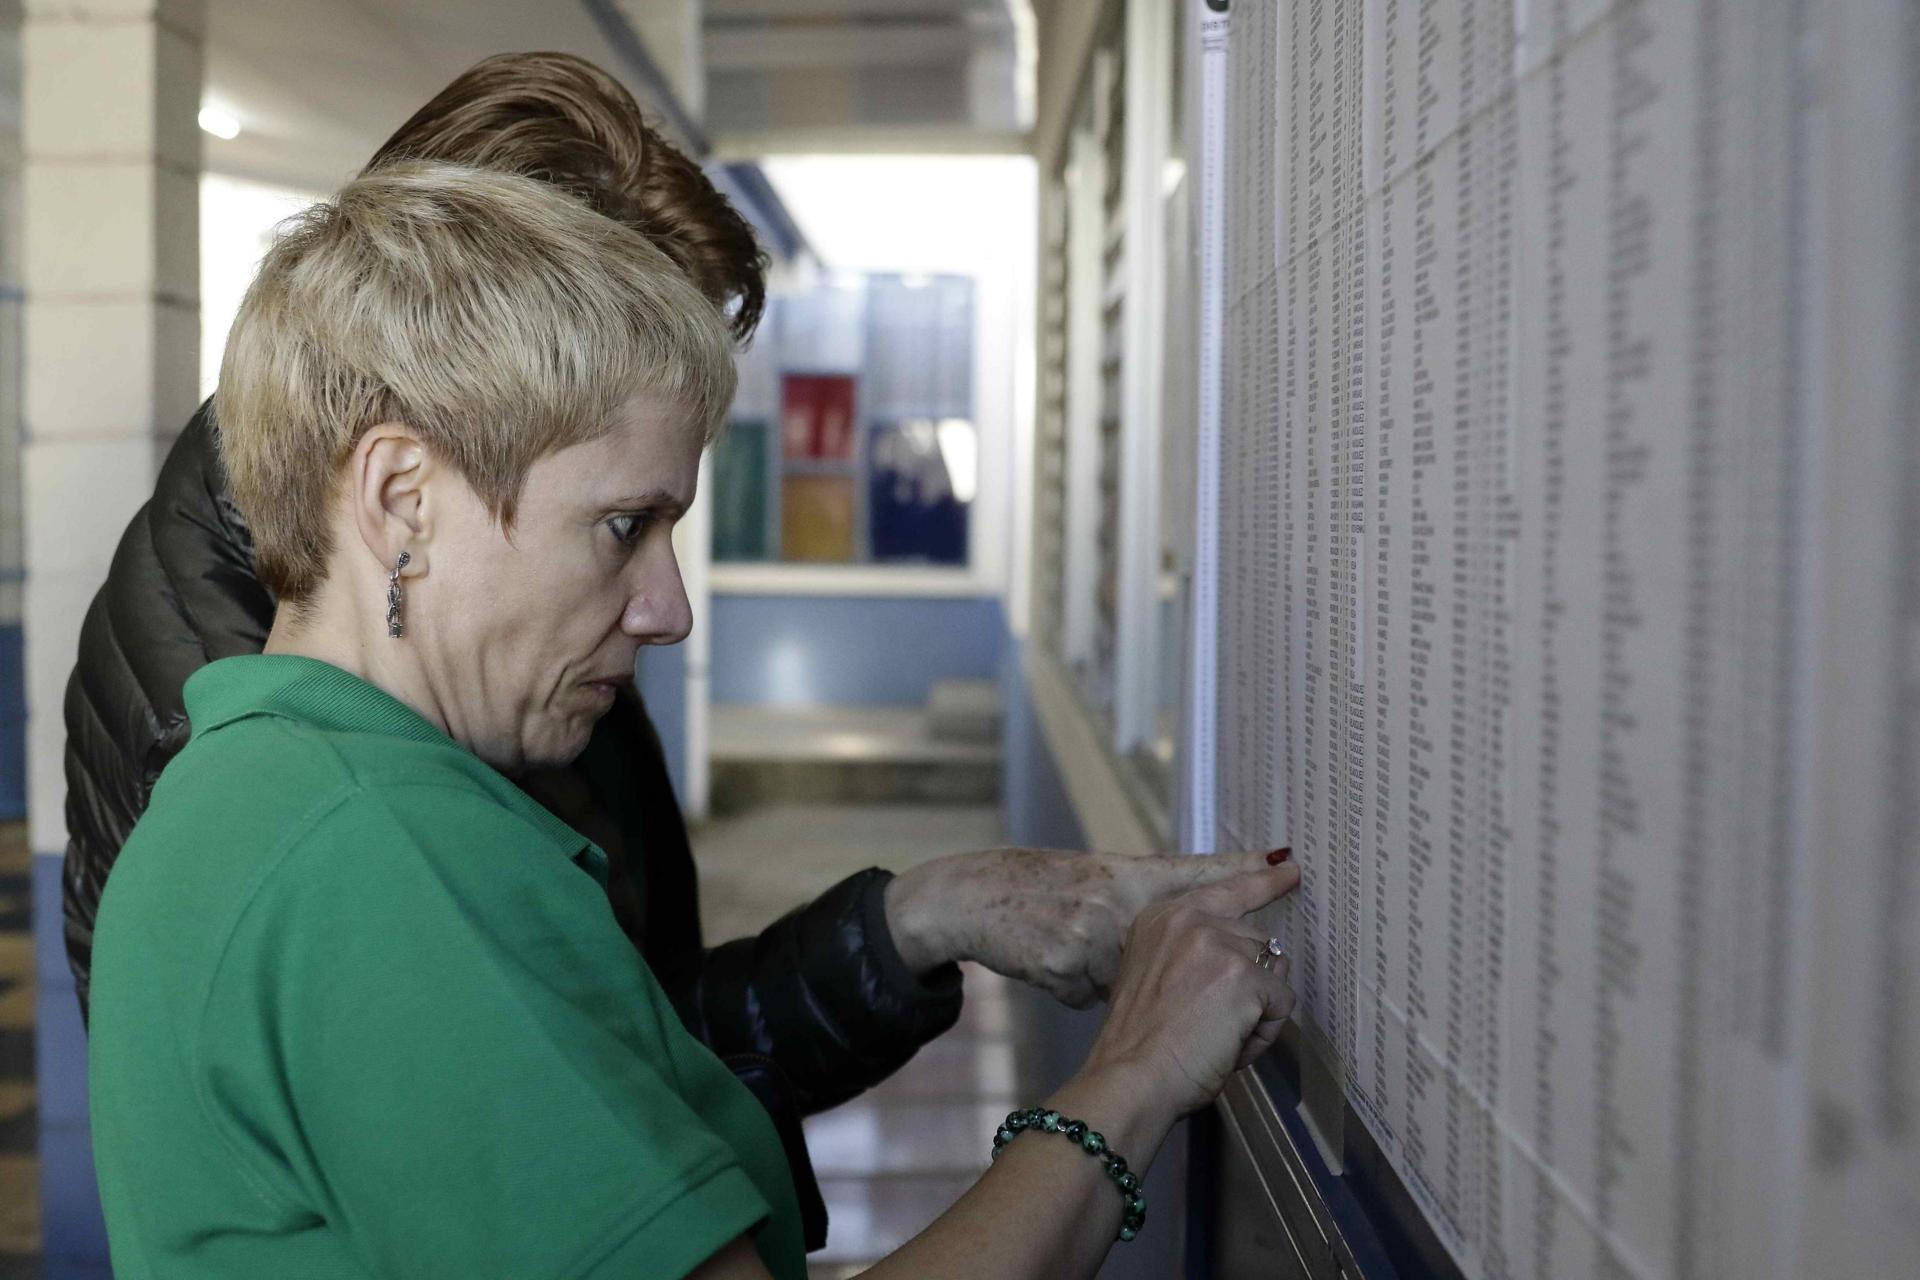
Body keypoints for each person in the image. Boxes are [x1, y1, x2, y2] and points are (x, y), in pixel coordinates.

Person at [59, 50, 1290, 1244]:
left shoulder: (366, 720)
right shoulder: (358, 837)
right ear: (410, 476)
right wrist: (1126, 1083)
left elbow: (608, 1044)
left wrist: (922, 915)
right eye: (621, 519)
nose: (669, 608)